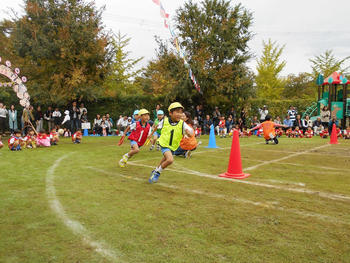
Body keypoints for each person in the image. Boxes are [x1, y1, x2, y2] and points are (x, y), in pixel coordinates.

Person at [148, 102, 193, 183]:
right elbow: (157, 126)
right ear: (170, 113)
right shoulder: (164, 121)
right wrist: (151, 134)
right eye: (177, 112)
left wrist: (189, 133)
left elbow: (190, 133)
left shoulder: (182, 124)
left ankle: (155, 170)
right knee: (170, 160)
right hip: (164, 144)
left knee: (164, 159)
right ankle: (157, 173)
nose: (179, 114)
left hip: (173, 146)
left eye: (181, 112)